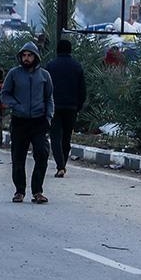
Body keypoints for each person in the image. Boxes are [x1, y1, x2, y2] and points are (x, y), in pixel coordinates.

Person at [1, 41, 54, 204]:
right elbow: (5, 94)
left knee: (42, 153)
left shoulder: (44, 76)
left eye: (29, 55)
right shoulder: (14, 74)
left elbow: (49, 98)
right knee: (18, 157)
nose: (26, 58)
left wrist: (49, 117)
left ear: (35, 56)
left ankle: (37, 191)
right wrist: (16, 105)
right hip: (19, 121)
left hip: (38, 122)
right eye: (23, 55)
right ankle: (19, 191)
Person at [46, 39, 86, 179]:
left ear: (57, 50)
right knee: (66, 137)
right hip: (71, 107)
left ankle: (60, 165)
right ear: (70, 50)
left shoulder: (51, 66)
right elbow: (82, 89)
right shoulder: (77, 66)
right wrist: (78, 105)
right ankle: (63, 164)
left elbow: (46, 88)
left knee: (55, 136)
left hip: (54, 106)